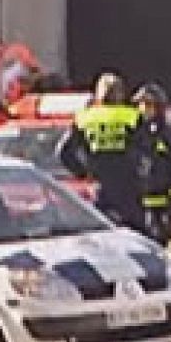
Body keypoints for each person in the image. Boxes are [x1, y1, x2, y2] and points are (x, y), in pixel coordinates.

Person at [58, 72, 146, 234]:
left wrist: (83, 172)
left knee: (101, 233)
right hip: (128, 185)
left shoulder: (85, 118)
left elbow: (63, 152)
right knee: (135, 234)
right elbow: (146, 149)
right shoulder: (132, 116)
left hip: (99, 186)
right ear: (120, 94)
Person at [131, 83, 171, 249]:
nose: (143, 109)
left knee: (161, 240)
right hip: (138, 199)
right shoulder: (135, 135)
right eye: (141, 104)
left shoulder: (169, 136)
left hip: (162, 201)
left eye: (147, 105)